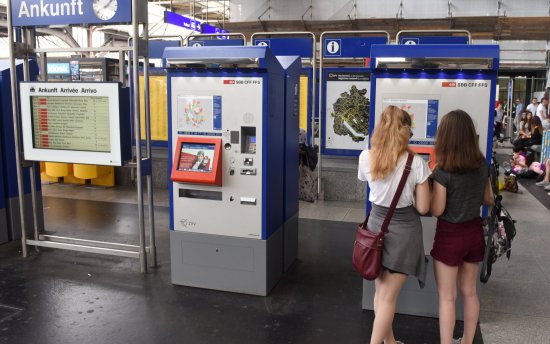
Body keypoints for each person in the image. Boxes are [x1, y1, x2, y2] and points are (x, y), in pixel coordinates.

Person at [357, 105, 431, 344]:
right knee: (388, 297)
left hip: (376, 227)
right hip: (404, 233)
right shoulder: (416, 163)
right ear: (405, 131)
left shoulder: (366, 156)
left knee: (381, 293)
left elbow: (369, 186)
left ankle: (390, 342)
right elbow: (423, 208)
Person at [430, 110, 494, 344]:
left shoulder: (443, 170)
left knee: (447, 297)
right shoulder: (481, 165)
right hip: (474, 233)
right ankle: (467, 341)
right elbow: (488, 199)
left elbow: (437, 209)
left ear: (445, 137)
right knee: (470, 293)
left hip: (449, 236)